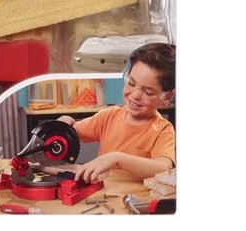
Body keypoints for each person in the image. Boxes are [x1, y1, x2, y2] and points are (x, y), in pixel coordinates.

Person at [59, 43, 176, 183]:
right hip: (105, 192)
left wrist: (117, 158)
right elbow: (71, 132)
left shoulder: (163, 130)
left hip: (137, 195)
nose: (135, 95)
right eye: (131, 83)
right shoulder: (108, 116)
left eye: (148, 92)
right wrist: (64, 122)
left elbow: (163, 169)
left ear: (167, 97)